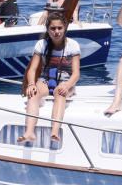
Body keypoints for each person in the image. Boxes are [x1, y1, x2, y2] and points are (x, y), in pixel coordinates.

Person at [20, 11, 80, 146]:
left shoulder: (73, 45)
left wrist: (68, 85)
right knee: (33, 93)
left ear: (65, 28)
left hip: (66, 82)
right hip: (46, 80)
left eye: (60, 28)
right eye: (53, 28)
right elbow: (32, 69)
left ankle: (55, 132)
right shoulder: (42, 44)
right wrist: (31, 84)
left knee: (60, 92)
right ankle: (29, 132)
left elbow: (76, 73)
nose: (56, 31)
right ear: (48, 29)